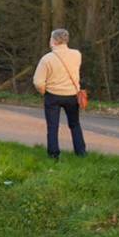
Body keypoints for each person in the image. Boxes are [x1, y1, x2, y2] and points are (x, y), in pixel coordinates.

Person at [32, 28, 87, 158]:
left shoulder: (47, 59)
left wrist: (44, 91)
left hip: (53, 95)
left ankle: (53, 154)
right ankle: (81, 152)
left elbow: (38, 82)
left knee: (53, 126)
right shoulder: (77, 55)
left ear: (55, 40)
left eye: (51, 38)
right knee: (74, 124)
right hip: (72, 95)